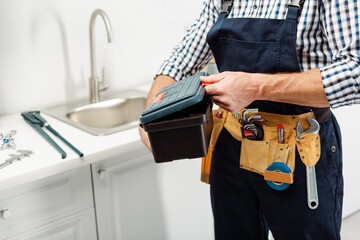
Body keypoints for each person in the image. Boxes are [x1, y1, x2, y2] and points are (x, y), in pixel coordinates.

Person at [139, 0, 360, 239]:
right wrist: (151, 112)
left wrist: (255, 87)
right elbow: (181, 60)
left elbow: (356, 72)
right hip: (231, 145)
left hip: (300, 149)